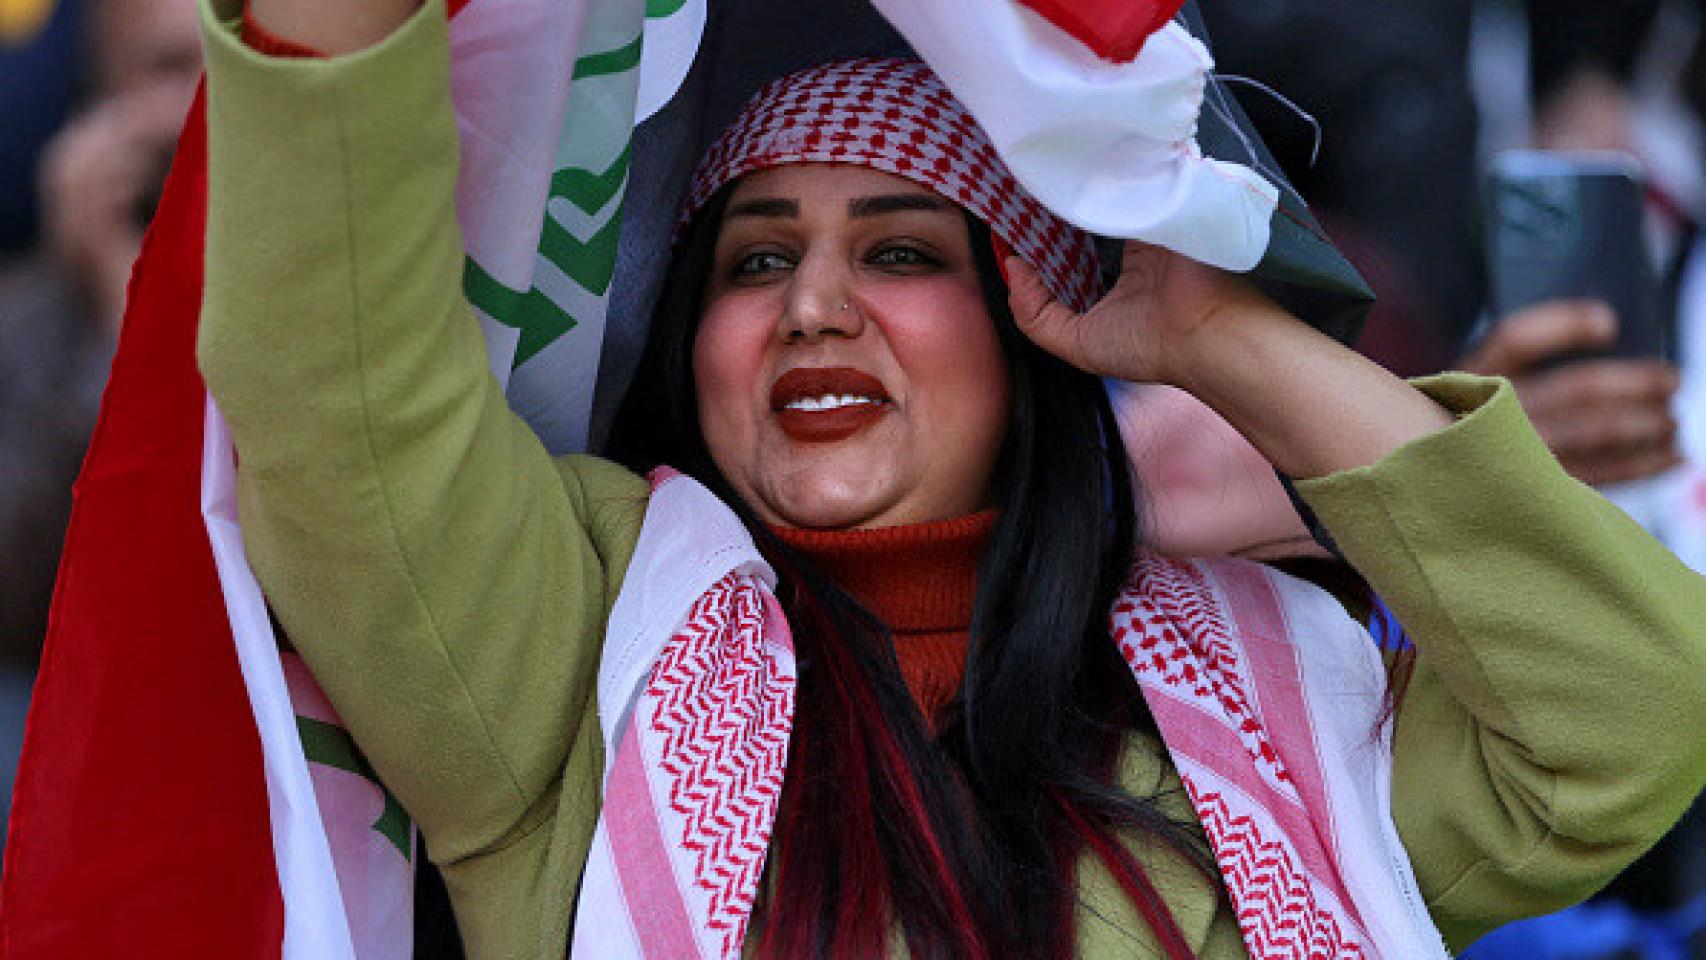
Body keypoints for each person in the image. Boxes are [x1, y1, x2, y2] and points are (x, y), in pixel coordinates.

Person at [197, 0, 1706, 957]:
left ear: (1024, 335)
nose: (813, 305)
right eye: (758, 256)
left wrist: (1211, 337)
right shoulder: (570, 652)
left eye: (904, 252)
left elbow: (1630, 709)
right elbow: (346, 404)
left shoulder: (1273, 712)